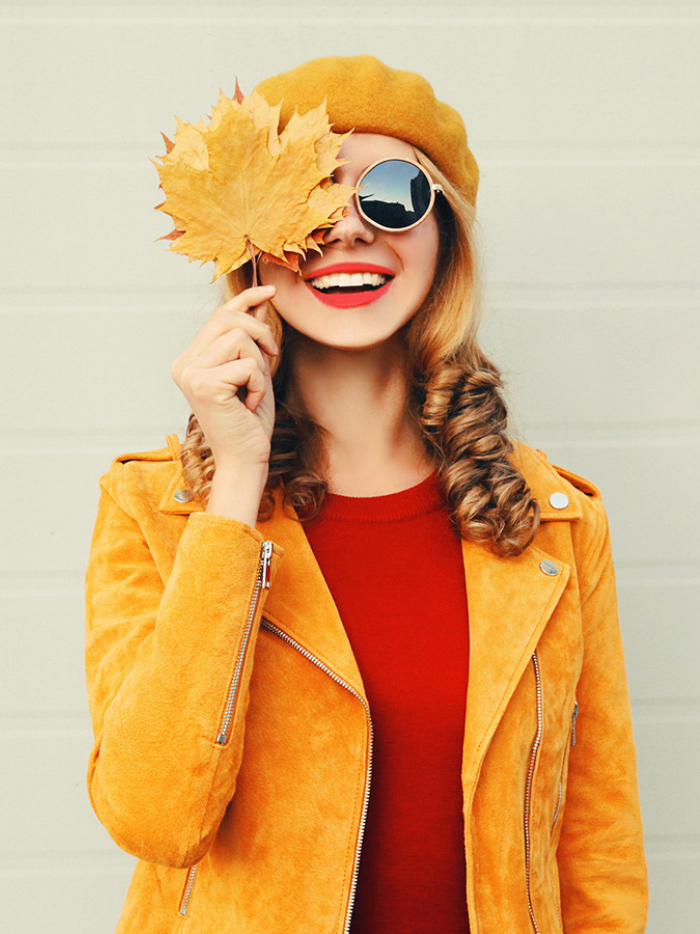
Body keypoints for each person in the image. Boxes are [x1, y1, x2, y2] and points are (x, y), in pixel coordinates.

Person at [84, 55, 648, 934]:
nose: (346, 229)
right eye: (308, 193)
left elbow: (597, 850)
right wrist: (235, 486)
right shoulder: (157, 510)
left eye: (392, 192)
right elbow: (154, 818)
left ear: (446, 235)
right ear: (251, 239)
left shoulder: (557, 525)